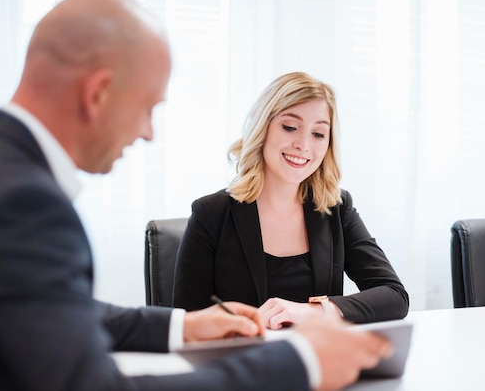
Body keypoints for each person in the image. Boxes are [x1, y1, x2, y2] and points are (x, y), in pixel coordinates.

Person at [0, 0, 393, 391]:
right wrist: (298, 366)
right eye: (147, 106)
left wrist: (183, 327)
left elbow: (61, 311)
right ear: (99, 93)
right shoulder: (22, 204)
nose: (147, 131)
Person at [173, 71, 410, 329]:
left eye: (318, 134)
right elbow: (187, 324)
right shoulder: (211, 213)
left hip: (318, 363)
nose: (304, 145)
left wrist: (317, 311)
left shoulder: (336, 208)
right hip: (240, 364)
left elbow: (394, 295)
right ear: (263, 128)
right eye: (290, 127)